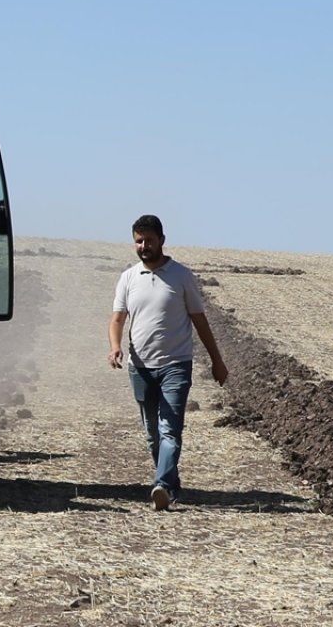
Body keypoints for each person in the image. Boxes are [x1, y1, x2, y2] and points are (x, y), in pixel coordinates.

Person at [107, 214, 228, 511]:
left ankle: (161, 485)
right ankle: (171, 485)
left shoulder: (181, 276)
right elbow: (117, 318)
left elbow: (199, 320)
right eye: (139, 241)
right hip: (140, 367)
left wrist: (216, 360)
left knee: (170, 430)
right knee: (153, 436)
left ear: (162, 239)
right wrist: (115, 347)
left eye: (149, 240)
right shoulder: (128, 278)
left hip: (176, 364)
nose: (144, 246)